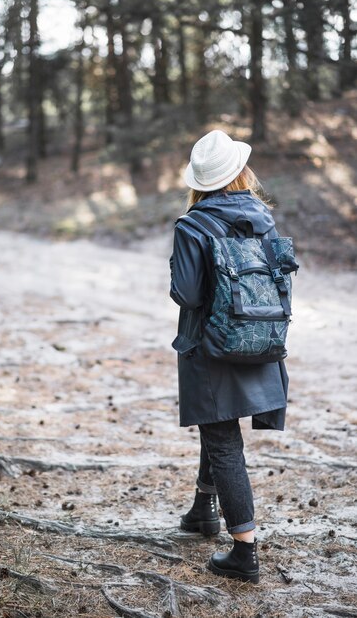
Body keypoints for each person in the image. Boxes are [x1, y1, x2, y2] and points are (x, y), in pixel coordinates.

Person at [169, 129, 290, 585]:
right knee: (215, 424)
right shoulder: (263, 217)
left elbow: (187, 293)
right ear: (241, 173)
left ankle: (244, 552)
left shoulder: (192, 224)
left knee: (222, 438)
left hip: (213, 345)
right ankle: (204, 509)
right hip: (262, 341)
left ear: (200, 181)